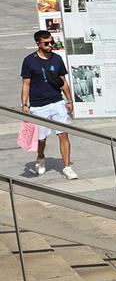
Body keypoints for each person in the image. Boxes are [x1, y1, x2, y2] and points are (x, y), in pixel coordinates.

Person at [19, 28, 78, 179]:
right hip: (38, 105)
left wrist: (69, 100)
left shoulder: (57, 59)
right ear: (38, 43)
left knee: (63, 134)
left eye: (51, 42)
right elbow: (26, 84)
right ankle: (40, 157)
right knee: (41, 139)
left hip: (57, 102)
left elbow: (63, 82)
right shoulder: (29, 60)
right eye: (46, 43)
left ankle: (66, 167)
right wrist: (24, 104)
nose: (50, 45)